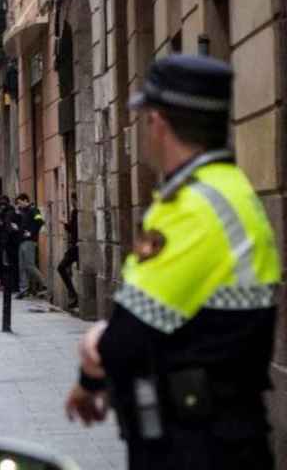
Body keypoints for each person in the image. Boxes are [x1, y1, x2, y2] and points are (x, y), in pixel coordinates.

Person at [65, 55, 281, 469]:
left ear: (158, 123)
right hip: (221, 437)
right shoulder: (231, 191)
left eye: (144, 120)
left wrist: (94, 348)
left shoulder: (194, 208)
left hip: (195, 447)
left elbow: (126, 339)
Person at [15, 193, 46, 299]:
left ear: (25, 200)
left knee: (29, 265)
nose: (19, 205)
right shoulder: (24, 212)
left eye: (20, 203)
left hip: (29, 241)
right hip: (22, 241)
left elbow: (40, 221)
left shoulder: (33, 210)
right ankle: (23, 289)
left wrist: (32, 233)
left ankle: (44, 284)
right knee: (22, 266)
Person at [57, 193, 80, 310]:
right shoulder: (75, 212)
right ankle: (73, 294)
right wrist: (65, 223)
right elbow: (72, 229)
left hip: (78, 246)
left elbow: (75, 229)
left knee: (61, 267)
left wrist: (65, 223)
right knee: (61, 267)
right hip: (75, 246)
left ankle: (74, 295)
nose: (72, 203)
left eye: (73, 200)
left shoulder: (79, 212)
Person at [0, 196, 21, 295]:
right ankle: (12, 285)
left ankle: (13, 285)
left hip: (9, 243)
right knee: (10, 264)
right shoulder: (10, 212)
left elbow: (9, 228)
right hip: (10, 242)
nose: (1, 206)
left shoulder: (9, 213)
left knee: (10, 264)